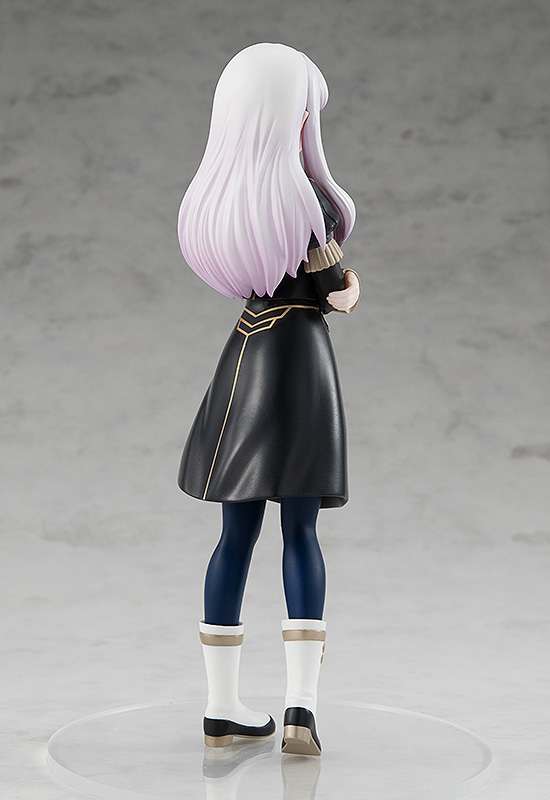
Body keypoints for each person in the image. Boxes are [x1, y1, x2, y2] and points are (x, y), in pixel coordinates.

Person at [177, 42, 360, 756]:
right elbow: (338, 296)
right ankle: (300, 710)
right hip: (300, 360)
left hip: (247, 356)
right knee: (301, 534)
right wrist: (346, 285)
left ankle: (220, 708)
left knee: (234, 536)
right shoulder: (308, 204)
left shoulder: (223, 198)